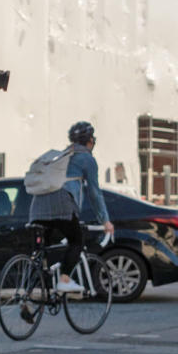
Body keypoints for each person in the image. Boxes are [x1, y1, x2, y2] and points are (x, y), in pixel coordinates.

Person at [29, 120, 114, 292]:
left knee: (46, 247)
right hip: (63, 205)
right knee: (76, 240)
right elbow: (94, 193)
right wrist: (105, 221)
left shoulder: (60, 156)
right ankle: (65, 279)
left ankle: (34, 289)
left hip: (37, 205)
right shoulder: (87, 159)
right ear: (90, 141)